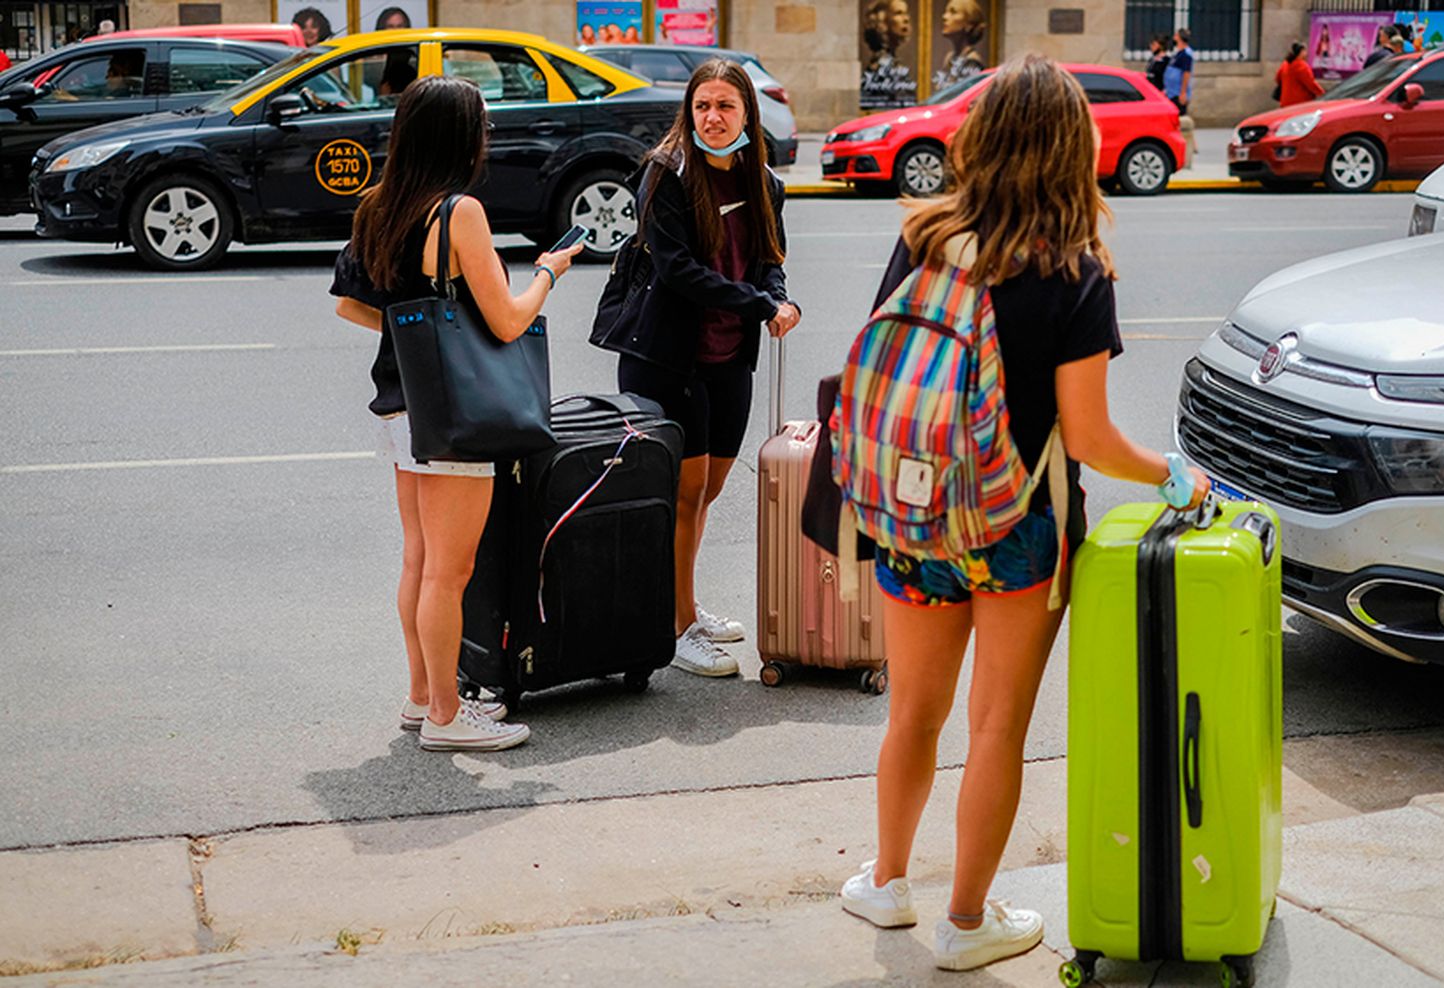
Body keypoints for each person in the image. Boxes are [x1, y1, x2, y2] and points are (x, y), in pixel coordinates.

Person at [837, 53, 1208, 973]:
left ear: (982, 136)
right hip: (1017, 527)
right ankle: (967, 924)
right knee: (995, 726)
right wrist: (1174, 477)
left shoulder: (926, 237)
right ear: (1070, 147)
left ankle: (887, 883)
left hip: (916, 510)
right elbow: (1087, 439)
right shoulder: (1074, 268)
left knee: (911, 716)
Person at [331, 76, 581, 751]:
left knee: (418, 560)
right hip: (455, 413)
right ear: (463, 138)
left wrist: (416, 322)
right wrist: (548, 273)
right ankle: (446, 715)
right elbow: (506, 321)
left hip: (398, 402)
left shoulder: (380, 204)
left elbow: (351, 305)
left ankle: (421, 697)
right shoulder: (459, 213)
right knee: (450, 569)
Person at [591, 59, 799, 678]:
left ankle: (683, 602)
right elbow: (679, 272)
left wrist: (779, 295)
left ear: (746, 115)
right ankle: (678, 624)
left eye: (725, 107)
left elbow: (769, 260)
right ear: (689, 112)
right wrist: (764, 303)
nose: (713, 118)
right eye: (702, 106)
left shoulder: (761, 180)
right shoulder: (666, 175)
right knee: (682, 497)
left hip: (729, 356)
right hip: (665, 357)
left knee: (705, 493)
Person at [932, 0, 985, 91]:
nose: (944, 17)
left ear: (969, 25)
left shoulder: (972, 62)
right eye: (946, 12)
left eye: (953, 12)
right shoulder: (950, 58)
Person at [1277, 42, 1323, 107]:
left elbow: (1278, 79)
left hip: (1285, 102)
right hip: (1300, 103)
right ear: (1301, 52)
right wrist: (1322, 93)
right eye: (1305, 51)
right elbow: (1311, 83)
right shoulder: (1302, 66)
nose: (1307, 53)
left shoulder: (1285, 64)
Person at [1164, 27, 1194, 113]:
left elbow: (1186, 73)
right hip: (1171, 92)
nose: (1174, 37)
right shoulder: (1178, 53)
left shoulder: (1186, 54)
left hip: (1177, 93)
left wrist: (1183, 93)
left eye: (1176, 35)